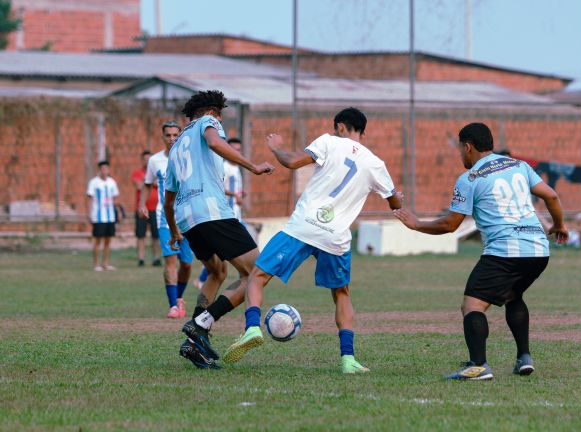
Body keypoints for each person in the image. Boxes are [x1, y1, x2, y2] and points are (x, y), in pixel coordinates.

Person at [222, 107, 403, 374]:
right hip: (336, 236)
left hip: (304, 226)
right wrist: (399, 196)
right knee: (341, 294)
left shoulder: (329, 141)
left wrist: (276, 149)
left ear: (341, 127)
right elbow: (395, 203)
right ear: (362, 132)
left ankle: (251, 328)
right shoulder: (376, 163)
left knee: (258, 275)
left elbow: (293, 162)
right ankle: (348, 359)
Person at [393, 122, 568, 380]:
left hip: (504, 251)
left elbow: (450, 224)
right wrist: (559, 225)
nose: (461, 157)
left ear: (468, 147)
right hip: (538, 249)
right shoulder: (519, 165)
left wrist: (417, 224)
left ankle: (478, 365)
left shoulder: (470, 178)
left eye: (460, 151)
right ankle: (524, 357)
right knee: (512, 295)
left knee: (472, 305)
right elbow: (551, 196)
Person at [162, 90, 275, 369]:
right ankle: (203, 321)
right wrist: (253, 166)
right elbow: (214, 143)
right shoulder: (207, 124)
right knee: (258, 271)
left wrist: (176, 231)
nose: (221, 119)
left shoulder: (176, 147)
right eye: (220, 113)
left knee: (217, 271)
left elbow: (168, 199)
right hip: (212, 211)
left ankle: (195, 342)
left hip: (187, 219)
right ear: (212, 111)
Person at [139, 121, 193, 319]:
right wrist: (142, 204)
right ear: (162, 137)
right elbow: (147, 184)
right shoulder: (155, 161)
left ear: (180, 136)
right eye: (168, 135)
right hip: (165, 220)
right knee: (170, 263)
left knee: (186, 264)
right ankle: (173, 306)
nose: (171, 139)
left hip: (188, 219)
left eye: (175, 135)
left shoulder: (189, 158)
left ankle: (179, 297)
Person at [192, 137, 247, 291]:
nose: (236, 152)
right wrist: (234, 194)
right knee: (240, 250)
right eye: (233, 149)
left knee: (227, 250)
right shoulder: (225, 167)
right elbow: (217, 187)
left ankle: (202, 279)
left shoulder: (236, 167)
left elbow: (233, 189)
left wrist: (240, 194)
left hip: (236, 213)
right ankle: (245, 279)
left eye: (238, 149)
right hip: (226, 215)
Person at [87, 160, 120, 271]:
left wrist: (117, 212)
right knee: (97, 240)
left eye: (106, 168)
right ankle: (96, 264)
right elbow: (90, 199)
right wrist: (89, 213)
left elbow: (115, 199)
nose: (104, 170)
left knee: (108, 240)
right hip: (98, 216)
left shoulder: (112, 182)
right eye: (102, 169)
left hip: (110, 216)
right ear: (99, 170)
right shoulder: (94, 182)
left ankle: (105, 263)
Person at [131, 150, 161, 267]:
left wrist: (148, 181)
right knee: (141, 235)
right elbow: (139, 186)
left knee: (156, 235)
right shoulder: (137, 173)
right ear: (142, 160)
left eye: (149, 159)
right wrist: (151, 181)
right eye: (145, 159)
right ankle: (141, 259)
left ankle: (156, 258)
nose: (147, 161)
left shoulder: (157, 172)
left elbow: (159, 184)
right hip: (142, 209)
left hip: (156, 209)